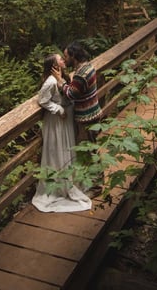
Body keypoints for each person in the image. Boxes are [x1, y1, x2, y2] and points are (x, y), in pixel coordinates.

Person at [31, 53, 92, 213]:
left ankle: (69, 180)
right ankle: (58, 185)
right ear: (53, 65)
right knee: (57, 151)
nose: (63, 60)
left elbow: (68, 92)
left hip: (66, 120)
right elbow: (42, 100)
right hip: (57, 121)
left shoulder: (61, 77)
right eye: (60, 59)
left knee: (68, 149)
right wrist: (58, 109)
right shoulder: (50, 81)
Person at [52, 41, 103, 196]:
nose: (64, 59)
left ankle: (96, 187)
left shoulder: (81, 74)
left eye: (66, 56)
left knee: (91, 152)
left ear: (74, 56)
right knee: (91, 149)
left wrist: (60, 81)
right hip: (93, 113)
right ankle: (90, 182)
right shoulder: (87, 66)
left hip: (87, 117)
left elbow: (71, 93)